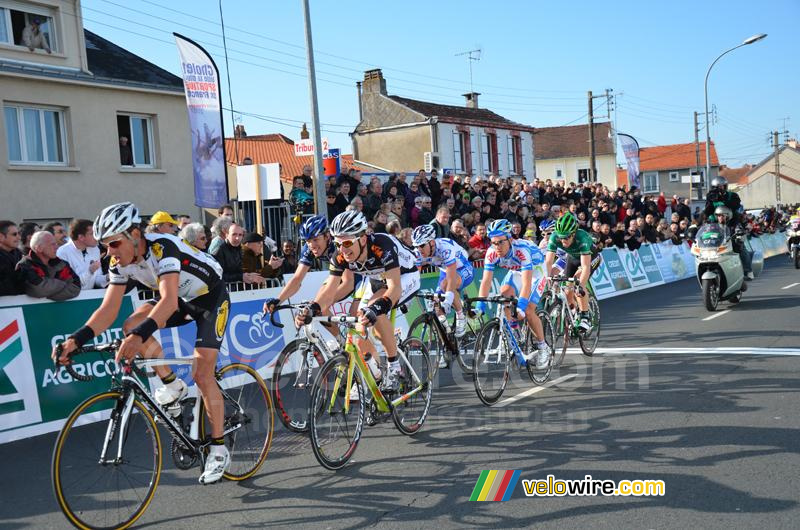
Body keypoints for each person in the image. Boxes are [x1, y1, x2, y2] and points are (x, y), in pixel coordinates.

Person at [51, 203, 232, 483]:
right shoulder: (118, 262)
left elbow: (168, 301)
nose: (109, 252)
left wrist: (138, 338)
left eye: (114, 243)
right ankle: (172, 385)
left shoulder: (163, 248)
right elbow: (109, 309)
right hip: (180, 301)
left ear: (135, 234)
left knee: (202, 373)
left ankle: (219, 449)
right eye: (104, 245)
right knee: (130, 325)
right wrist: (76, 339)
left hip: (211, 298)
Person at [295, 211, 420, 392]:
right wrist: (312, 309)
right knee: (360, 327)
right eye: (338, 243)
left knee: (376, 312)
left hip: (404, 276)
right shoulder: (339, 256)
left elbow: (394, 288)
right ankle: (374, 372)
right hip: (378, 279)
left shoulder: (381, 245)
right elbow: (329, 292)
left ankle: (394, 367)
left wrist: (378, 307)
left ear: (362, 239)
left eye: (347, 243)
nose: (343, 249)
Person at [474, 219, 551, 369]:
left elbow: (527, 283)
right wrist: (479, 305)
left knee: (528, 310)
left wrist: (521, 306)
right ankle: (514, 330)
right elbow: (486, 281)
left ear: (510, 239)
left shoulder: (521, 250)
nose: (497, 247)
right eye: (493, 242)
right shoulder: (491, 253)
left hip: (536, 271)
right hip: (516, 271)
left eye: (500, 242)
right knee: (504, 295)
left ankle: (543, 348)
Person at [263, 216, 360, 329]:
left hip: (360, 276)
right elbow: (297, 279)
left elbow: (348, 284)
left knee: (353, 316)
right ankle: (338, 343)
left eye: (315, 239)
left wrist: (318, 305)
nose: (312, 245)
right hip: (340, 275)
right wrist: (278, 300)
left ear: (327, 236)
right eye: (308, 241)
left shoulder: (338, 247)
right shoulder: (309, 249)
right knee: (319, 308)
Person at [411, 225, 474, 340]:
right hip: (445, 271)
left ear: (432, 243)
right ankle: (447, 334)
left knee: (446, 287)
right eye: (416, 246)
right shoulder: (418, 253)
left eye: (421, 245)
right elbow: (415, 276)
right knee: (436, 302)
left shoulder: (444, 248)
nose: (419, 249)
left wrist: (449, 297)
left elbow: (451, 276)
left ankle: (461, 315)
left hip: (463, 268)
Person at [544, 212, 601, 332]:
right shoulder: (554, 237)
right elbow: (548, 263)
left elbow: (585, 267)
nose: (563, 240)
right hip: (573, 258)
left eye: (566, 237)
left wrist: (580, 285)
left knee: (577, 283)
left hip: (590, 258)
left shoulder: (582, 237)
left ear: (574, 234)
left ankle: (585, 317)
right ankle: (574, 313)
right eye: (561, 237)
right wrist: (545, 280)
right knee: (566, 289)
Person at [17, 231, 81, 300]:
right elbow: (38, 289)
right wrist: (63, 284)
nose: (57, 247)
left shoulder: (61, 263)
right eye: (52, 244)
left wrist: (49, 296)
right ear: (39, 248)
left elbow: (76, 287)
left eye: (56, 244)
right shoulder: (25, 265)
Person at [56, 219, 107, 290]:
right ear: (81, 237)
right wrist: (90, 271)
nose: (97, 236)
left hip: (90, 297)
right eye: (92, 233)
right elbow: (71, 284)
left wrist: (108, 277)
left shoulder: (95, 249)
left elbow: (96, 279)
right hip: (72, 299)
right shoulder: (62, 253)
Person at [0, 221, 24, 296]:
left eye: (19, 234)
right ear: (1, 237)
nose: (19, 238)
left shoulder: (18, 253)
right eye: (14, 234)